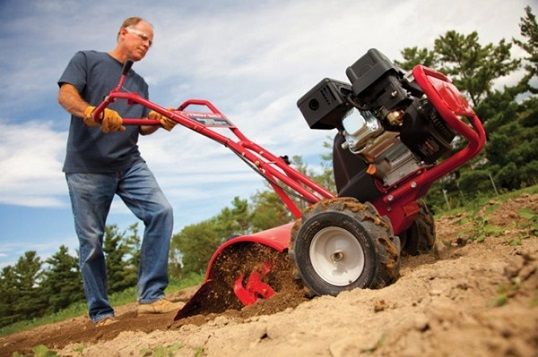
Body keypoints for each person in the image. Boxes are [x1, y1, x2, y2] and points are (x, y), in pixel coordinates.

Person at [57, 17, 181, 326]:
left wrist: (160, 121)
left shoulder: (140, 85)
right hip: (87, 167)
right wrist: (90, 111)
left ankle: (151, 297)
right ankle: (101, 312)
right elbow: (66, 95)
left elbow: (143, 127)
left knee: (161, 212)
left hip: (128, 163)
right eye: (142, 37)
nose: (146, 45)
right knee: (92, 243)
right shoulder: (87, 59)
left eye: (150, 43)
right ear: (123, 33)